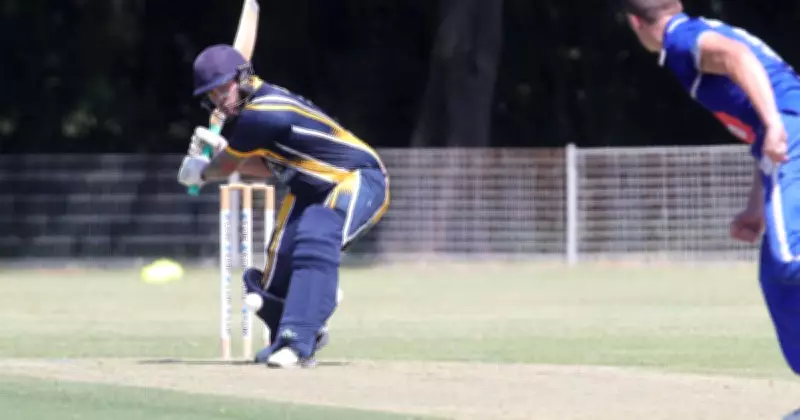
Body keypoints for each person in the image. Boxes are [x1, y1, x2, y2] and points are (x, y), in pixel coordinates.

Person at [620, 0, 800, 416]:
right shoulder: (694, 30)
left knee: (791, 258)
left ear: (635, 22)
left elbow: (737, 57)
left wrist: (774, 124)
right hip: (785, 140)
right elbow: (759, 130)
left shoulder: (682, 40)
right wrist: (755, 207)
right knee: (777, 280)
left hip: (794, 132)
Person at [177, 44, 390, 368]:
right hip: (308, 188)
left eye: (223, 88)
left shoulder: (265, 111)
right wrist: (222, 151)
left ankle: (299, 339)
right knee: (278, 268)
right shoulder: (253, 115)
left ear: (243, 77)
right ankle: (296, 328)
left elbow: (227, 166)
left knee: (317, 235)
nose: (219, 99)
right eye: (212, 94)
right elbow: (264, 167)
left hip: (356, 177)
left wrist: (202, 171)